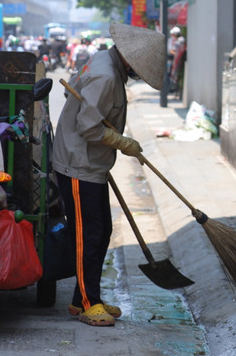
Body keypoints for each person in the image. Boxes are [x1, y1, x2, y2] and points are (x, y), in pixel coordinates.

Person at [51, 22, 165, 327]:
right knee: (87, 236)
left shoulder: (105, 62)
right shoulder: (106, 76)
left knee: (101, 232)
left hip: (91, 165)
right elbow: (89, 127)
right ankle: (89, 303)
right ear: (130, 60)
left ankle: (84, 298)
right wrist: (122, 142)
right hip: (78, 164)